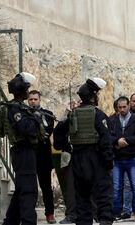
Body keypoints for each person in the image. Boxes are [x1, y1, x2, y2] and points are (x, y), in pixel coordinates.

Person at [53, 78, 114, 225]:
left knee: (82, 196)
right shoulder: (98, 115)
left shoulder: (72, 115)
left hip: (78, 159)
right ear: (93, 97)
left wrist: (66, 147)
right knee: (103, 194)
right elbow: (106, 139)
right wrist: (108, 161)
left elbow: (58, 133)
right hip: (96, 158)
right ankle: (105, 220)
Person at [0, 72, 41, 225]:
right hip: (23, 151)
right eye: (27, 88)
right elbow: (28, 130)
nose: (29, 91)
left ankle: (10, 222)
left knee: (21, 189)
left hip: (24, 152)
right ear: (22, 91)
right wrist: (36, 119)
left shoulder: (20, 107)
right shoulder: (16, 109)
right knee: (29, 191)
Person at [109, 96, 135, 221]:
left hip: (132, 158)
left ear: (128, 106)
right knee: (117, 187)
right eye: (120, 107)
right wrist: (117, 141)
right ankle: (116, 212)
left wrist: (126, 141)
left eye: (124, 107)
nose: (122, 109)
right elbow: (108, 136)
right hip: (117, 158)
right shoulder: (112, 120)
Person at [27, 90, 56, 223]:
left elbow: (48, 129)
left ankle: (50, 213)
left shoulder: (47, 115)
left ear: (40, 100)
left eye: (35, 99)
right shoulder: (24, 114)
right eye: (31, 99)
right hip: (28, 155)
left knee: (46, 187)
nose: (33, 102)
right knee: (28, 187)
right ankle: (28, 214)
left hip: (43, 156)